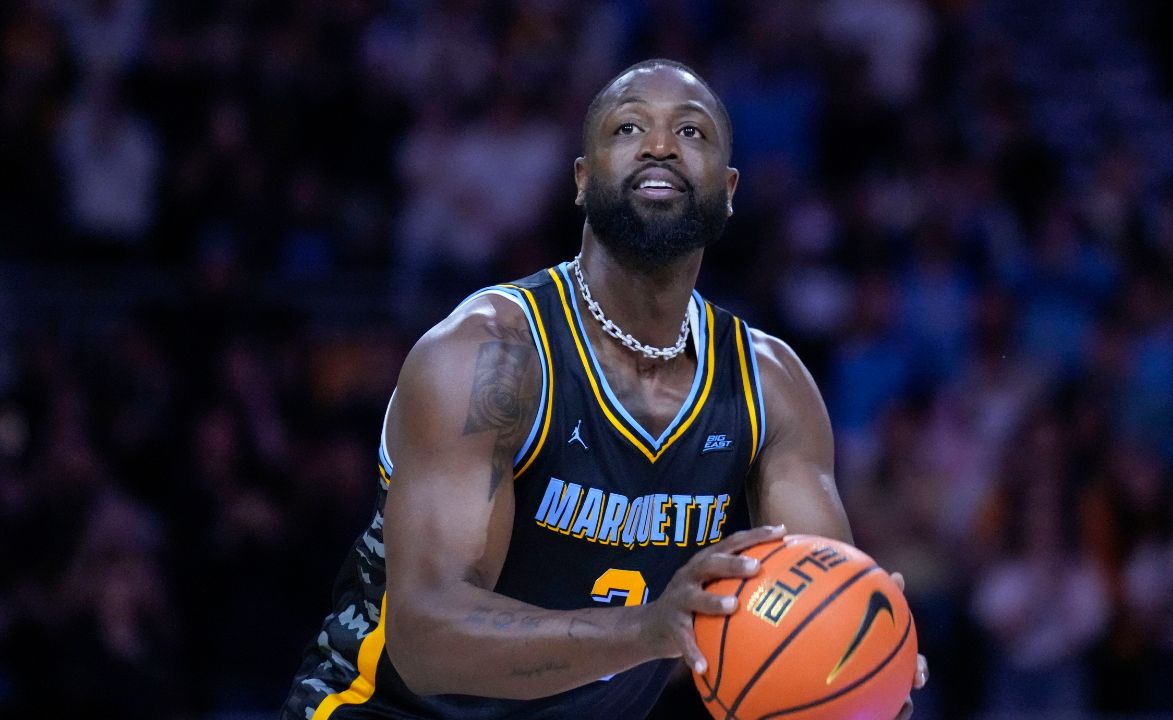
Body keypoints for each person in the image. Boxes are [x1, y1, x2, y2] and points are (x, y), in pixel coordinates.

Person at [283, 59, 928, 720]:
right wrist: (648, 628)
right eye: (628, 128)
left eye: (692, 132)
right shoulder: (491, 354)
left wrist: (863, 664)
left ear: (729, 189)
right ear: (582, 181)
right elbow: (427, 638)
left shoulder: (772, 387)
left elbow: (816, 606)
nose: (661, 145)